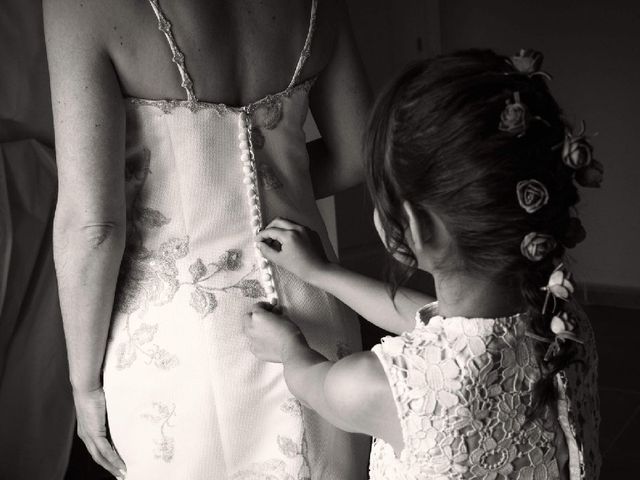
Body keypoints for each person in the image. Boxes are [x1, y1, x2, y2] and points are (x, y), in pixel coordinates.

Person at [44, 0, 371, 478]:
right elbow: (357, 153)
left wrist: (83, 385)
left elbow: (94, 227)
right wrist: (275, 183)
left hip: (176, 337)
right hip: (315, 304)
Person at [245, 49, 602, 479]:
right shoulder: (562, 324)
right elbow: (434, 327)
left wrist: (287, 348)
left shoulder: (381, 386)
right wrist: (322, 273)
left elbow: (312, 382)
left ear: (411, 224)